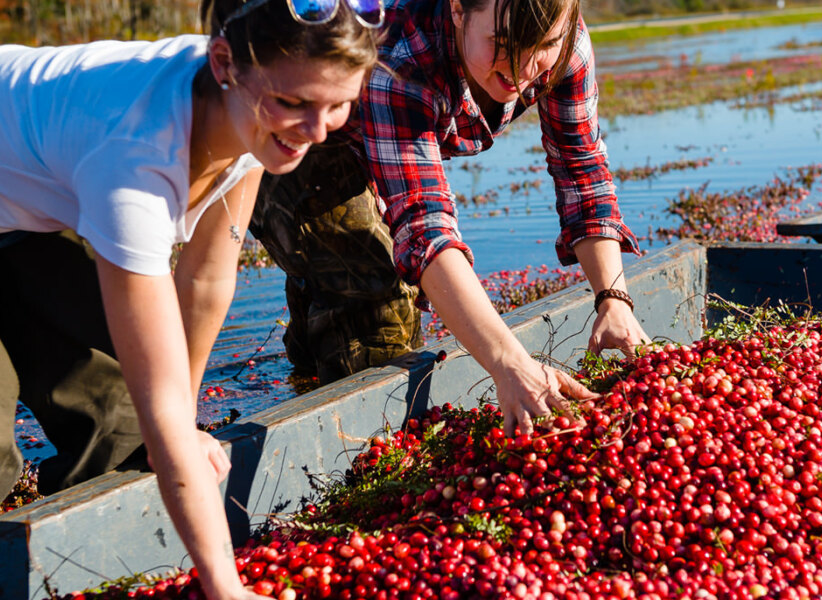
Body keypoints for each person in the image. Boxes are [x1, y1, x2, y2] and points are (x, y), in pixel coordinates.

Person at [0, 0, 379, 596]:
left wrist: (182, 421)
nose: (316, 133)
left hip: (9, 205)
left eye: (337, 105)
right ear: (225, 63)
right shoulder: (134, 155)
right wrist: (224, 585)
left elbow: (207, 280)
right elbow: (167, 423)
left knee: (119, 422)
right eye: (295, 105)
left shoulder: (254, 110)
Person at [249, 0, 649, 432]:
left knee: (348, 284)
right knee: (377, 304)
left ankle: (310, 351)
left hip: (371, 132)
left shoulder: (563, 42)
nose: (523, 67)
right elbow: (426, 228)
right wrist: (509, 362)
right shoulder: (401, 60)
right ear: (458, 9)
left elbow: (581, 170)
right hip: (289, 135)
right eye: (501, 43)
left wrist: (613, 298)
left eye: (543, 45)